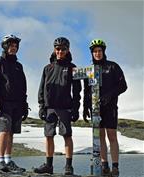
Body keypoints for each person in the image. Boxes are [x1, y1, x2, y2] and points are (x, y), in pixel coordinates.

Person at [33, 37, 81, 175]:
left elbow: (77, 91)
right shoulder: (47, 68)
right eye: (58, 49)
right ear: (54, 50)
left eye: (63, 49)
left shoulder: (73, 68)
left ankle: (68, 166)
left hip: (65, 107)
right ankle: (48, 166)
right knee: (48, 136)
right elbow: (41, 88)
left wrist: (76, 108)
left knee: (67, 136)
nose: (60, 51)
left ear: (68, 50)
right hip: (49, 107)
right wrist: (42, 106)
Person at [83, 39, 127, 177]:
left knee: (111, 135)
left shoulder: (113, 66)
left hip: (110, 107)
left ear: (103, 52)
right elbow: (86, 90)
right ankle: (104, 165)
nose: (97, 53)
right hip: (96, 108)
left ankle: (115, 167)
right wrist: (85, 107)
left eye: (99, 51)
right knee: (99, 136)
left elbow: (123, 86)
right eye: (95, 51)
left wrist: (110, 95)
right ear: (92, 53)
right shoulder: (89, 70)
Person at [0, 34, 29, 173]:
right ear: (5, 46)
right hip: (3, 103)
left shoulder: (19, 66)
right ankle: (0, 161)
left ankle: (8, 160)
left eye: (15, 46)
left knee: (11, 132)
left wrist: (24, 104)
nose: (13, 48)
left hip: (17, 104)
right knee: (4, 131)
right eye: (11, 46)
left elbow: (23, 86)